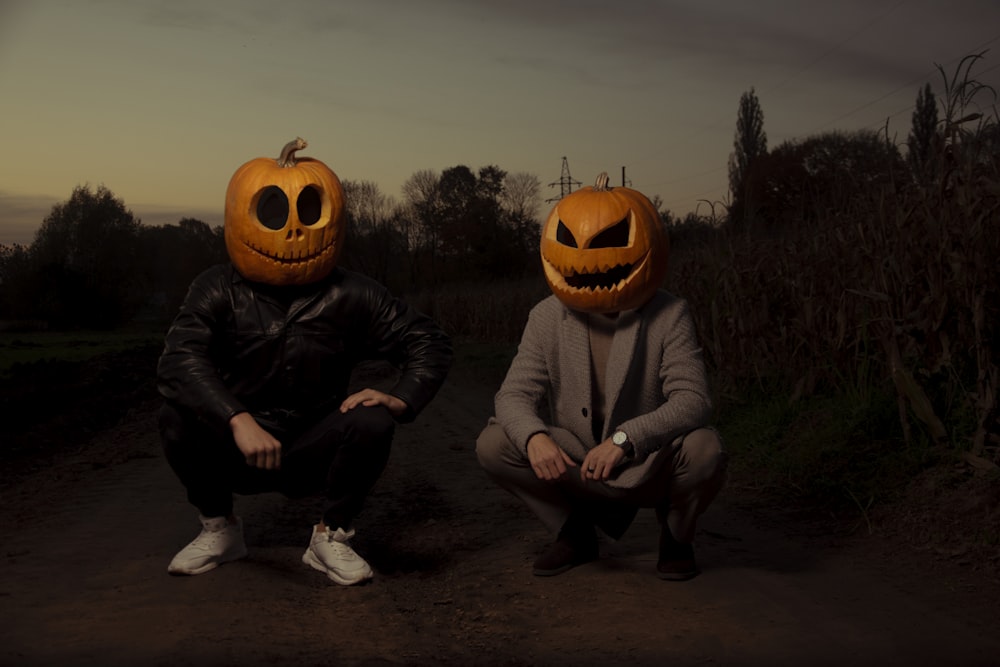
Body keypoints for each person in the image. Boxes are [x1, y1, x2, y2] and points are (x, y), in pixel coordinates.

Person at [157, 138, 452, 585]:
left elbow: (429, 341)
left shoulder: (355, 293)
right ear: (237, 219)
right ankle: (220, 530)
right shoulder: (216, 287)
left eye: (310, 213)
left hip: (316, 447)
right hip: (241, 448)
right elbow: (180, 359)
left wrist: (401, 398)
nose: (294, 234)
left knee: (372, 419)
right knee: (176, 415)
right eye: (274, 213)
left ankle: (329, 536)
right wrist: (236, 419)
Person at [476, 173, 725, 579]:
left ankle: (677, 537)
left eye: (611, 241)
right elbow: (512, 396)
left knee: (705, 449)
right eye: (571, 243)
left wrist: (627, 440)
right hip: (575, 460)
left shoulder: (669, 313)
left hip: (643, 461)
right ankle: (573, 534)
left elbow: (693, 400)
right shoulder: (545, 317)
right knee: (493, 443)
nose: (588, 258)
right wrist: (535, 438)